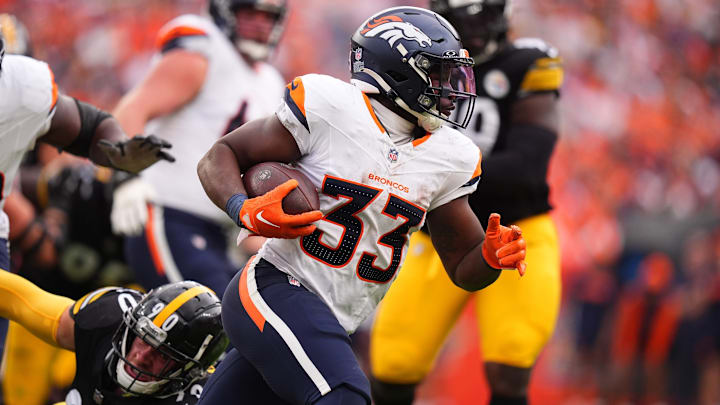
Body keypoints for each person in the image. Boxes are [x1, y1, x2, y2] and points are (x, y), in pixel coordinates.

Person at [195, 6, 527, 405]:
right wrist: (241, 208)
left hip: (335, 320)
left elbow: (462, 266)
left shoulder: (450, 156)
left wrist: (491, 257)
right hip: (276, 287)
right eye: (437, 73)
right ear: (397, 68)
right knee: (346, 396)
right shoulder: (331, 107)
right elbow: (221, 155)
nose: (450, 87)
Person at [368, 1, 563, 404]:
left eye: (483, 16)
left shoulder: (529, 61)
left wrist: (436, 171)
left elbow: (527, 167)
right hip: (441, 230)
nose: (473, 31)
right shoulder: (424, 62)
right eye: (462, 20)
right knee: (394, 362)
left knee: (509, 363)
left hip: (516, 230)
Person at [110, 0, 287, 296]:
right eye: (250, 14)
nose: (260, 24)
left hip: (222, 235)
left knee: (250, 329)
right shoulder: (205, 49)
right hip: (169, 216)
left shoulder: (271, 82)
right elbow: (131, 109)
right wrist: (126, 177)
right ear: (225, 12)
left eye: (268, 17)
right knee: (213, 324)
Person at [0, 270, 229, 404]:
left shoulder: (202, 397)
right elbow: (22, 302)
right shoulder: (108, 316)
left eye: (163, 355)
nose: (141, 356)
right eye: (142, 338)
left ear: (190, 370)